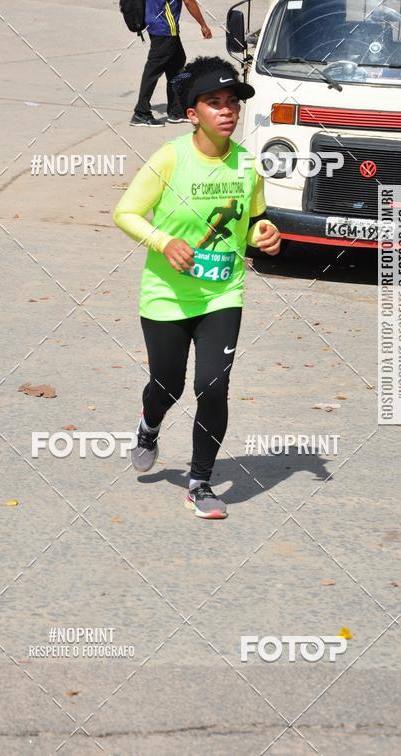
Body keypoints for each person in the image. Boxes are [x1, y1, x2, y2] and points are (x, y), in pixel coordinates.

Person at [114, 56, 281, 519]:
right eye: (214, 103)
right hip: (166, 296)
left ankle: (200, 483)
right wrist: (163, 241)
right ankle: (149, 426)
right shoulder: (171, 157)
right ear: (192, 114)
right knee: (167, 387)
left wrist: (262, 236)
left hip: (222, 293)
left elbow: (255, 221)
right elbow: (125, 213)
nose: (227, 111)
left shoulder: (247, 166)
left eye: (232, 103)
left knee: (212, 386)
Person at [130, 0, 212, 129]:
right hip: (165, 26)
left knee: (177, 64)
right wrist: (203, 24)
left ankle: (175, 111)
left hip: (153, 22)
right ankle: (141, 112)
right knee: (154, 69)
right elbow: (188, 0)